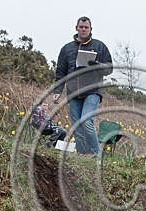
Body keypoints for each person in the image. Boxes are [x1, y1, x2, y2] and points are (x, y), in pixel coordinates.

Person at [52, 16, 113, 155]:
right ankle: (82, 157)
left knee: (86, 122)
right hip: (73, 92)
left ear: (91, 29)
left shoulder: (99, 46)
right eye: (81, 27)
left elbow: (109, 69)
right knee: (77, 127)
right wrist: (58, 90)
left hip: (93, 91)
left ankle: (96, 156)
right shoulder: (66, 49)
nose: (83, 29)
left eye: (86, 27)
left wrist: (97, 65)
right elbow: (61, 72)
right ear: (76, 28)